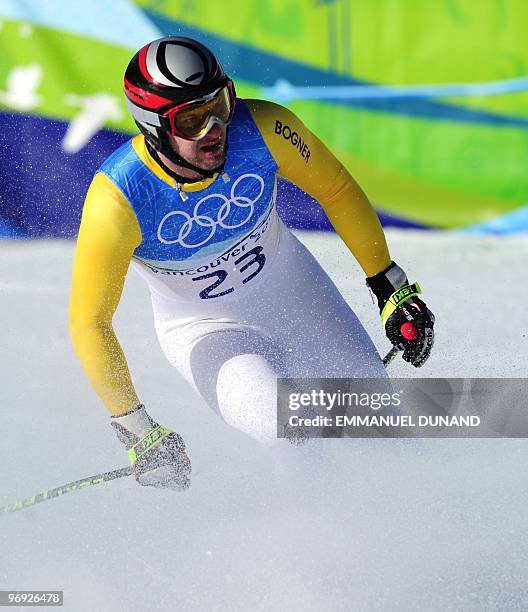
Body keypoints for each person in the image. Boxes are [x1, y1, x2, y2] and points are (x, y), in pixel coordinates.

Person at [69, 36, 435, 491]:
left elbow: (335, 190)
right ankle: (320, 550)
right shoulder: (118, 199)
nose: (214, 128)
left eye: (219, 104)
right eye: (191, 119)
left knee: (382, 423)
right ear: (155, 126)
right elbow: (91, 322)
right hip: (204, 328)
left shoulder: (264, 127)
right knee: (285, 425)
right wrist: (136, 428)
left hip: (295, 293)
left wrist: (389, 286)